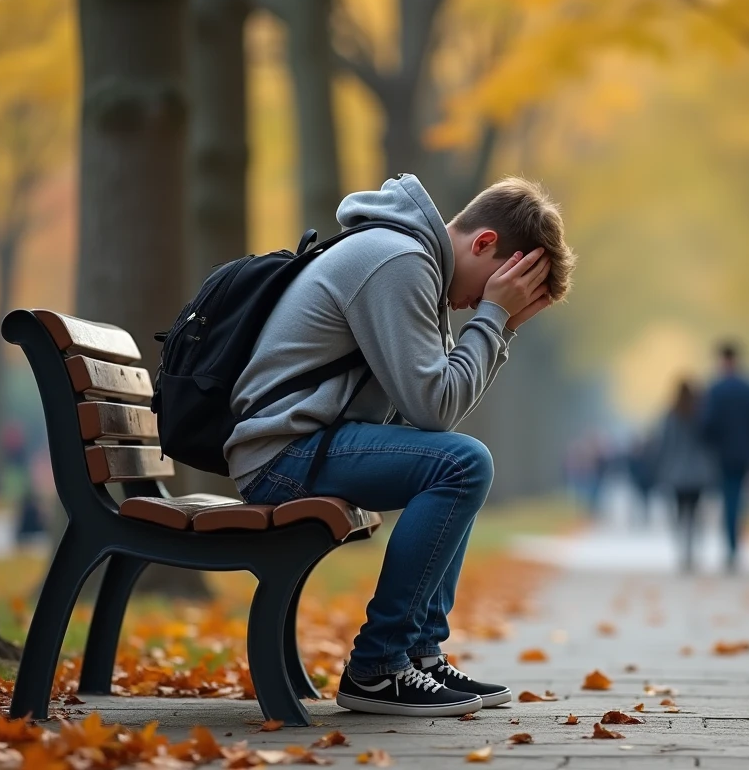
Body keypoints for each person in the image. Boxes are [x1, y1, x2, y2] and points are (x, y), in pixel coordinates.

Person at [226, 174, 575, 717]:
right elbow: (436, 407)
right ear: (485, 243)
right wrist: (494, 318)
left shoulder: (414, 261)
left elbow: (436, 410)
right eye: (499, 285)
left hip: (304, 445)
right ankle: (378, 667)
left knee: (455, 460)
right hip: (281, 454)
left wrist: (499, 325)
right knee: (462, 463)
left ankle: (418, 655)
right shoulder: (399, 261)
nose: (478, 303)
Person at [700, 342, 749, 570]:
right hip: (744, 453)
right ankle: (734, 542)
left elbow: (706, 424)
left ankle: (731, 544)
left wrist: (710, 445)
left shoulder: (715, 390)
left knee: (729, 498)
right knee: (737, 498)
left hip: (722, 454)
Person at [650, 380, 717, 573]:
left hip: (677, 470)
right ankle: (692, 548)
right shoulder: (700, 414)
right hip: (698, 471)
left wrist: (661, 467)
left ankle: (683, 549)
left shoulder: (671, 416)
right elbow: (710, 441)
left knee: (680, 511)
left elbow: (664, 443)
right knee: (695, 511)